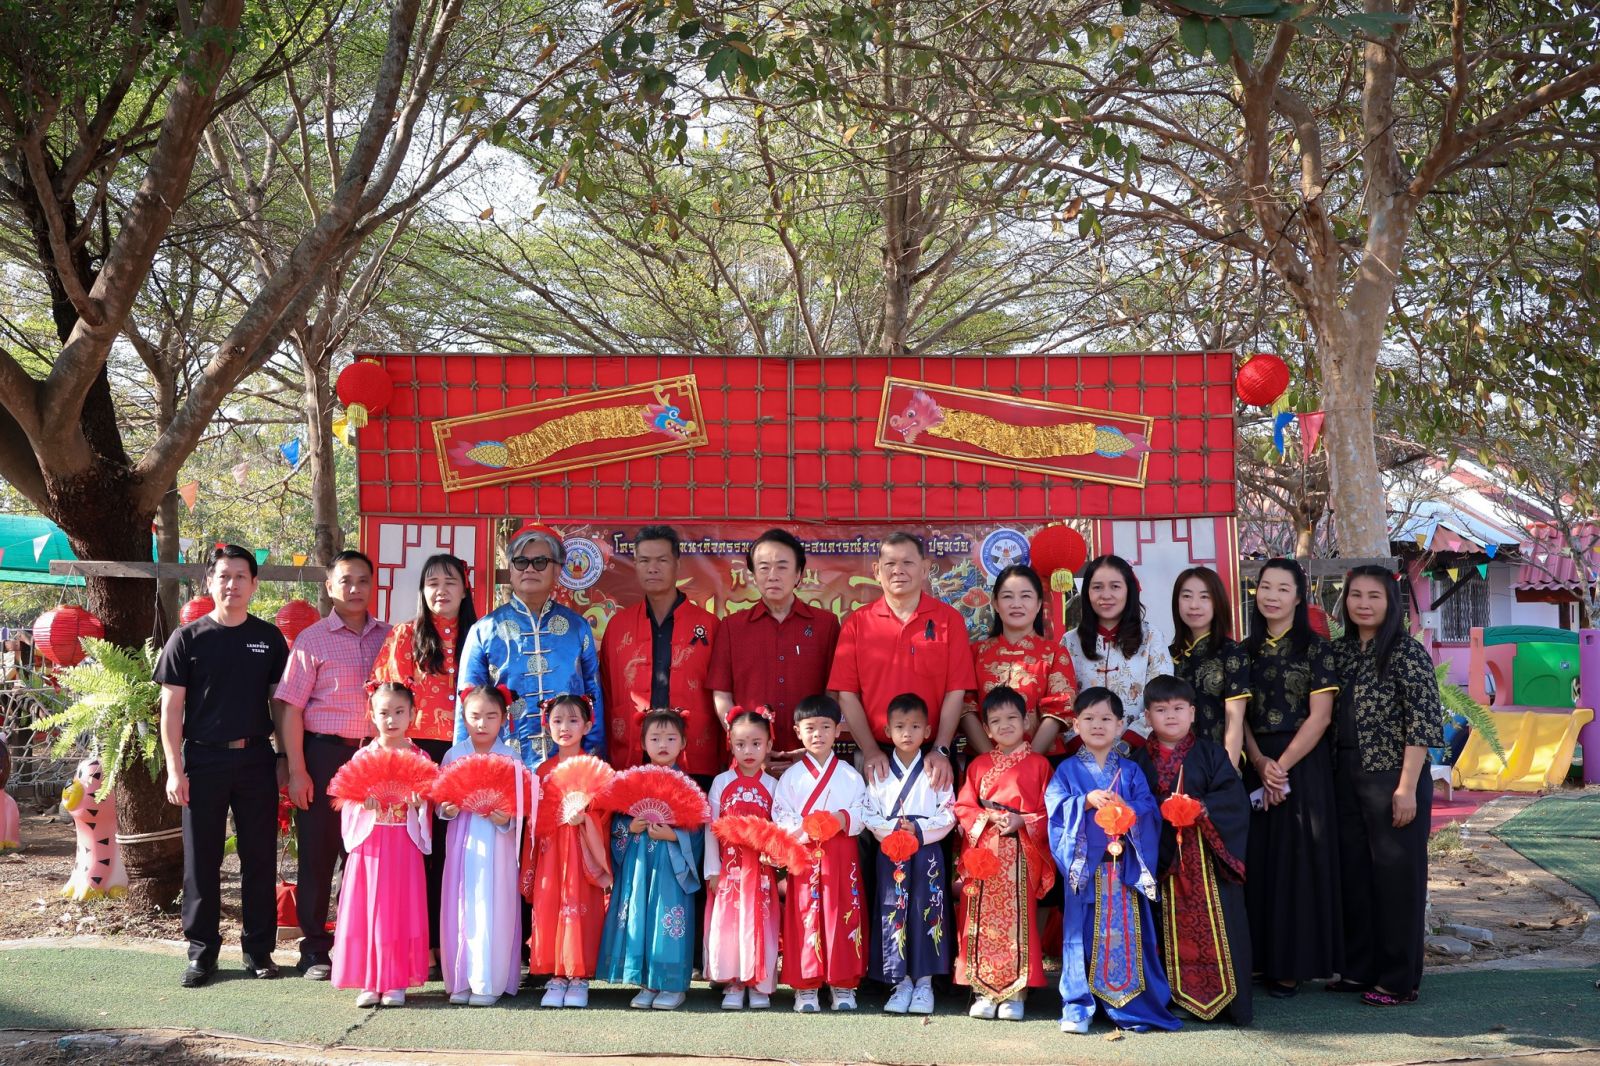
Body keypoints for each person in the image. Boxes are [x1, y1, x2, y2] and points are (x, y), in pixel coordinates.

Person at [156, 544, 289, 987]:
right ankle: (201, 954)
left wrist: (284, 757)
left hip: (256, 759)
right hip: (203, 760)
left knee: (259, 858)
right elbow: (171, 710)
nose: (232, 584)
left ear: (254, 584)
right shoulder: (187, 639)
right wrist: (174, 769)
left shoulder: (269, 638)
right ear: (209, 582)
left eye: (240, 576)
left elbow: (281, 705)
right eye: (223, 576)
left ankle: (259, 951)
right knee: (202, 862)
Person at [275, 549, 391, 980]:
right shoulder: (312, 640)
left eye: (363, 580)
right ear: (329, 587)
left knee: (366, 853)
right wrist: (298, 770)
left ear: (373, 585)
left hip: (375, 758)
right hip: (324, 756)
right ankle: (313, 949)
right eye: (346, 581)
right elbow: (291, 709)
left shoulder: (391, 637)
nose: (355, 588)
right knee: (318, 853)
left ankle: (356, 944)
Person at [1332, 565, 1444, 1007]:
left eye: (1373, 596)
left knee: (1397, 879)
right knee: (1355, 876)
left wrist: (1406, 788)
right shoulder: (1339, 653)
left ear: (1390, 602)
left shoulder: (1406, 653)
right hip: (1345, 774)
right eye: (1355, 595)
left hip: (1394, 776)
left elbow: (1423, 722)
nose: (1363, 604)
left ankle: (1398, 980)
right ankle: (1358, 969)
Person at [1046, 687, 1180, 1034]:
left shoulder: (1131, 771)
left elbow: (1149, 810)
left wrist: (1127, 809)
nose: (1098, 725)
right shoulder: (1066, 771)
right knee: (1079, 936)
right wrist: (1084, 801)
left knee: (1127, 936)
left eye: (1106, 718)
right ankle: (1078, 1005)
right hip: (1086, 868)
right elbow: (1055, 810)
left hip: (1123, 869)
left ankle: (1130, 1002)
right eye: (1089, 718)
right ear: (1076, 724)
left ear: (1120, 725)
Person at [370, 552, 479, 974]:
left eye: (450, 582)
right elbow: (385, 698)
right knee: (417, 850)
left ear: (465, 589)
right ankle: (422, 946)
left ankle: (456, 943)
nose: (441, 590)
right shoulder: (404, 636)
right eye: (432, 583)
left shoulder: (480, 635)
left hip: (465, 755)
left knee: (456, 851)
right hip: (415, 754)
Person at [1241, 557, 1342, 997]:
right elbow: (1237, 715)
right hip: (1255, 763)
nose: (1272, 596)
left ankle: (1292, 964)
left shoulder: (1316, 649)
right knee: (1258, 861)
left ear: (1299, 598)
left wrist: (1280, 767)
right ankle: (1260, 958)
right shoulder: (1242, 651)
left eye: (1283, 589)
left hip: (1303, 764)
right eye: (1266, 586)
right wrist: (1259, 762)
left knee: (1297, 863)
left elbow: (1321, 717)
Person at [1131, 675, 1253, 1025]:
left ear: (1193, 713)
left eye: (1178, 708)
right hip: (1160, 860)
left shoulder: (1212, 754)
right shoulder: (1137, 761)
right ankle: (1169, 995)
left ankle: (1224, 999)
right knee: (1160, 928)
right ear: (1147, 716)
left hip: (1206, 861)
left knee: (1216, 928)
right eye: (1161, 710)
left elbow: (1234, 800)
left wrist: (1200, 808)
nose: (1170, 716)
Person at [828, 532, 976, 791]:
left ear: (925, 569)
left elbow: (956, 691)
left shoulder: (949, 620)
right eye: (890, 564)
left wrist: (941, 748)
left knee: (935, 818)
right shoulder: (857, 623)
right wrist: (871, 751)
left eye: (908, 563)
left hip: (933, 756)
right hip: (875, 755)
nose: (898, 570)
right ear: (877, 571)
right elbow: (847, 694)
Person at [458, 522, 604, 770]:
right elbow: (467, 705)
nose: (529, 569)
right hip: (504, 766)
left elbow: (594, 698)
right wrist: (464, 769)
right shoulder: (484, 630)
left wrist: (593, 764)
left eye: (540, 562)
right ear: (511, 569)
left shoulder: (577, 628)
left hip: (568, 767)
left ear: (557, 570)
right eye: (520, 562)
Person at [953, 686, 1053, 1022]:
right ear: (986, 728)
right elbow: (964, 807)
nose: (1005, 725)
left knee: (1018, 921)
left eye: (1012, 717)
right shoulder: (979, 765)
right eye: (996, 721)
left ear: (1027, 721)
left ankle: (1016, 992)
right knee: (979, 921)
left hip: (1021, 853)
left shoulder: (1039, 765)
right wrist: (987, 818)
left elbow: (1050, 811)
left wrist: (1022, 820)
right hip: (984, 852)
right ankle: (982, 990)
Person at [330, 682, 432, 1007]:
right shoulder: (363, 757)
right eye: (384, 712)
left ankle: (395, 981)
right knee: (369, 909)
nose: (391, 719)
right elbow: (347, 800)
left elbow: (429, 800)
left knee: (400, 911)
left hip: (404, 840)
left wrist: (419, 803)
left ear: (412, 714)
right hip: (370, 843)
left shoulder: (420, 757)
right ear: (371, 715)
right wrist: (363, 804)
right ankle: (369, 981)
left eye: (399, 712)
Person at [598, 708, 706, 1010]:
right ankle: (646, 982)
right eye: (655, 738)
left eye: (671, 738)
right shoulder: (633, 782)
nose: (663, 744)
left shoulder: (689, 786)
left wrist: (675, 835)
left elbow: (698, 832)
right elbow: (617, 824)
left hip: (671, 866)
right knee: (640, 915)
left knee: (668, 918)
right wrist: (629, 827)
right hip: (640, 863)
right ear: (643, 743)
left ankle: (672, 984)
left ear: (683, 742)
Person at [708, 528, 839, 773]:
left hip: (810, 760)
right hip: (749, 765)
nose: (772, 576)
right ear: (753, 575)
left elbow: (833, 694)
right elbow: (722, 695)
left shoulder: (826, 625)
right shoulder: (732, 627)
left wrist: (815, 745)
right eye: (764, 567)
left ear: (798, 574)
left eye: (782, 567)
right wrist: (747, 745)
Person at [772, 694, 869, 1013]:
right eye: (810, 728)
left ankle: (843, 983)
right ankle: (806, 985)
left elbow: (864, 811)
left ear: (838, 730)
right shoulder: (791, 777)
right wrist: (806, 827)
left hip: (841, 854)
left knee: (842, 912)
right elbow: (781, 815)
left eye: (826, 727)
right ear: (797, 731)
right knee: (805, 913)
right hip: (805, 854)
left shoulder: (850, 775)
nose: (818, 734)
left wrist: (841, 818)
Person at [601, 526, 721, 782]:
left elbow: (721, 691)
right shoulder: (618, 625)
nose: (652, 568)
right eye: (644, 560)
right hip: (633, 755)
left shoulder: (709, 625)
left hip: (695, 757)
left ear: (677, 564)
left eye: (662, 560)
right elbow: (607, 692)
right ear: (635, 564)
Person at [439, 684, 531, 1007]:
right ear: (463, 717)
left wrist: (507, 818)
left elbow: (521, 808)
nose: (482, 723)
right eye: (475, 716)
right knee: (461, 904)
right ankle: (460, 979)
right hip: (463, 841)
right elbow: (440, 802)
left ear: (503, 719)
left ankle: (489, 980)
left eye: (491, 716)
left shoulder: (511, 758)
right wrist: (447, 809)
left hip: (497, 843)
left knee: (494, 904)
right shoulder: (454, 755)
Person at [863, 693, 954, 1015]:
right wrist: (892, 829)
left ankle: (925, 982)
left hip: (927, 853)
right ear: (887, 731)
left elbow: (949, 812)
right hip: (892, 851)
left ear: (927, 731)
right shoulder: (880, 770)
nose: (907, 733)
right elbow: (867, 812)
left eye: (915, 726)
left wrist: (919, 828)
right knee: (894, 908)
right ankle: (899, 983)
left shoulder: (935, 768)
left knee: (927, 909)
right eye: (900, 726)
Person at [525, 693, 612, 1008]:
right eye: (557, 721)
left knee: (579, 905)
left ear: (588, 726)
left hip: (581, 850)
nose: (565, 727)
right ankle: (556, 975)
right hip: (551, 851)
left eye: (573, 720)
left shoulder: (597, 768)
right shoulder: (542, 771)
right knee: (550, 905)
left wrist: (586, 816)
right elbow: (534, 820)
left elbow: (606, 811)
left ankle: (578, 976)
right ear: (547, 726)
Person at [704, 706, 781, 1011]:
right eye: (740, 744)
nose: (748, 751)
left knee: (762, 923)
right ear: (730, 744)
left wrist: (774, 856)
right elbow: (711, 828)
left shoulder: (774, 786)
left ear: (769, 744)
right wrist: (713, 869)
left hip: (761, 869)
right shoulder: (721, 783)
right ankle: (733, 981)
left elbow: (779, 830)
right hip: (730, 868)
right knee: (730, 924)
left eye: (756, 743)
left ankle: (760, 983)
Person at [962, 564, 1078, 757]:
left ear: (1039, 604)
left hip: (1042, 761)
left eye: (1026, 596)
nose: (1016, 604)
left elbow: (1060, 708)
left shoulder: (1055, 652)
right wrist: (993, 760)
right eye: (1008, 596)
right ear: (995, 603)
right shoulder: (975, 652)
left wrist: (1028, 761)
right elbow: (965, 707)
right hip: (983, 762)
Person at [1062, 555, 1173, 745]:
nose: (1106, 595)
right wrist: (1080, 744)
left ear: (1129, 590)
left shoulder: (1151, 637)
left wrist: (1129, 742)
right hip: (1081, 751)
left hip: (1140, 750)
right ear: (1086, 592)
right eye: (1097, 587)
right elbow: (1063, 701)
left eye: (1115, 586)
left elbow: (1162, 697)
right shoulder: (1070, 641)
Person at [1170, 566, 1251, 767]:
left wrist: (1227, 774)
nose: (1194, 605)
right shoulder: (1169, 655)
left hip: (1217, 761)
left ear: (1217, 603)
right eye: (1186, 596)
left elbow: (1234, 720)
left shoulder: (1232, 652)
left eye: (1204, 597)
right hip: (1172, 765)